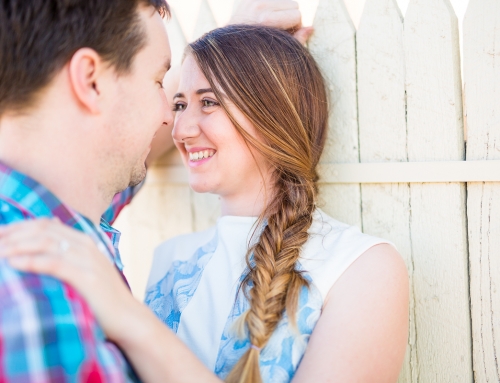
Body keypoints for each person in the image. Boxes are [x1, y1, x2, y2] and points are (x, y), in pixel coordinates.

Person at [0, 25, 409, 383]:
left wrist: (127, 316)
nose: (180, 129)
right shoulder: (169, 262)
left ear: (273, 113)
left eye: (208, 102)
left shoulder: (362, 269)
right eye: (178, 104)